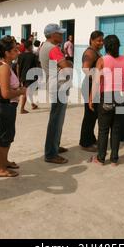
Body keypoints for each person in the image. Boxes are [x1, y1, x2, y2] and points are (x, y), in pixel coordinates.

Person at [89, 35, 124, 166]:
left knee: (103, 129)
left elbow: (96, 82)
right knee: (116, 129)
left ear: (106, 46)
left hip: (106, 96)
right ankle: (114, 159)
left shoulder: (102, 60)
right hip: (120, 95)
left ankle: (101, 158)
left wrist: (91, 99)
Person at [0, 38, 26, 177]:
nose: (17, 52)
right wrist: (21, 91)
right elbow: (6, 93)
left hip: (5, 105)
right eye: (14, 50)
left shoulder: (2, 64)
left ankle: (4, 161)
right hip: (5, 105)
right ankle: (1, 168)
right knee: (5, 136)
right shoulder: (4, 68)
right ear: (6, 52)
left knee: (8, 134)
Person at [39, 24, 72, 164]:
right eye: (59, 33)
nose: (62, 35)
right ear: (53, 35)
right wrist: (68, 64)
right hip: (58, 87)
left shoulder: (44, 46)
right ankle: (51, 153)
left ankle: (54, 146)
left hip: (54, 84)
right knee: (56, 121)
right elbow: (66, 67)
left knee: (57, 119)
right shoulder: (53, 49)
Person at [79, 30, 104, 152]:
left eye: (102, 40)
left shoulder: (95, 52)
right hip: (89, 86)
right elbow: (85, 69)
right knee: (89, 115)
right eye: (98, 40)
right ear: (92, 40)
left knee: (93, 115)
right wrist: (96, 77)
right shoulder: (90, 53)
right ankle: (85, 142)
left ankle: (90, 138)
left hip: (93, 85)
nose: (101, 43)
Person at [17, 40, 39, 114]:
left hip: (23, 76)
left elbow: (18, 66)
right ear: (30, 47)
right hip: (30, 76)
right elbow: (37, 67)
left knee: (29, 91)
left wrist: (18, 76)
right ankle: (22, 109)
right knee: (26, 92)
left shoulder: (20, 55)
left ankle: (33, 104)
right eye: (31, 46)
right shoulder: (33, 56)